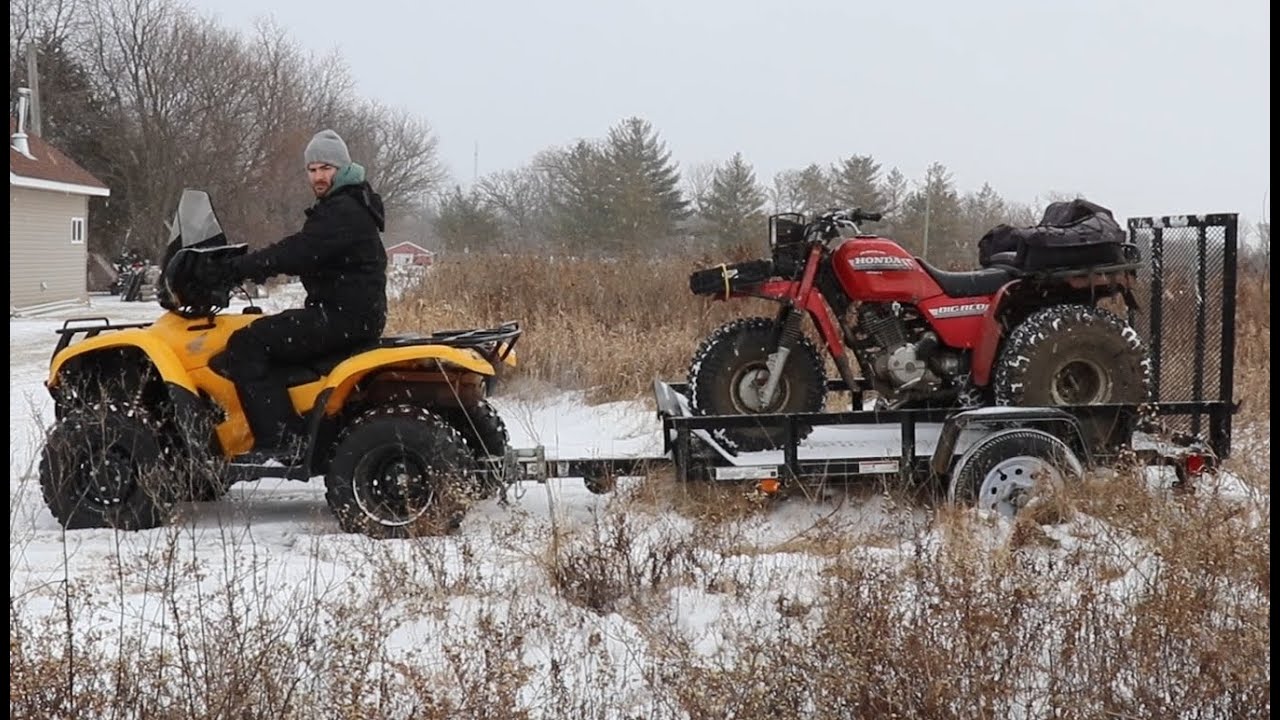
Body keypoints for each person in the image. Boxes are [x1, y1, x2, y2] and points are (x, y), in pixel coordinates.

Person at [220, 129, 388, 462]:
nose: (318, 177)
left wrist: (239, 268)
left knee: (247, 344)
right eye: (312, 170)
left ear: (341, 167)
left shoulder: (344, 210)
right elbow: (304, 248)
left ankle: (282, 440)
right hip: (351, 313)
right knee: (268, 338)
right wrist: (245, 264)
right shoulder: (351, 203)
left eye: (325, 168)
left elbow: (298, 251)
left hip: (343, 316)